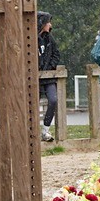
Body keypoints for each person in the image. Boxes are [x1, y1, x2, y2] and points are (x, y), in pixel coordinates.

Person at [37, 11, 61, 141]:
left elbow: (56, 54)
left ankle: (45, 130)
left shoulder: (49, 38)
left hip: (49, 77)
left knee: (53, 100)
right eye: (48, 22)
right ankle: (33, 130)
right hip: (34, 78)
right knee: (32, 103)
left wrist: (49, 67)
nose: (50, 25)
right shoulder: (30, 38)